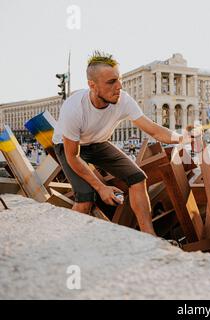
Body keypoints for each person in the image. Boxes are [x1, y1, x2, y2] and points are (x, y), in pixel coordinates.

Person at [52, 51, 190, 236]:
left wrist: (182, 138)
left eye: (119, 79)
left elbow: (154, 130)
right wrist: (102, 188)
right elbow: (73, 156)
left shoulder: (123, 100)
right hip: (68, 147)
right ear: (92, 85)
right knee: (86, 198)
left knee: (138, 178)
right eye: (111, 82)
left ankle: (149, 238)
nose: (119, 86)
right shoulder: (74, 108)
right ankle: (65, 241)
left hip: (98, 143)